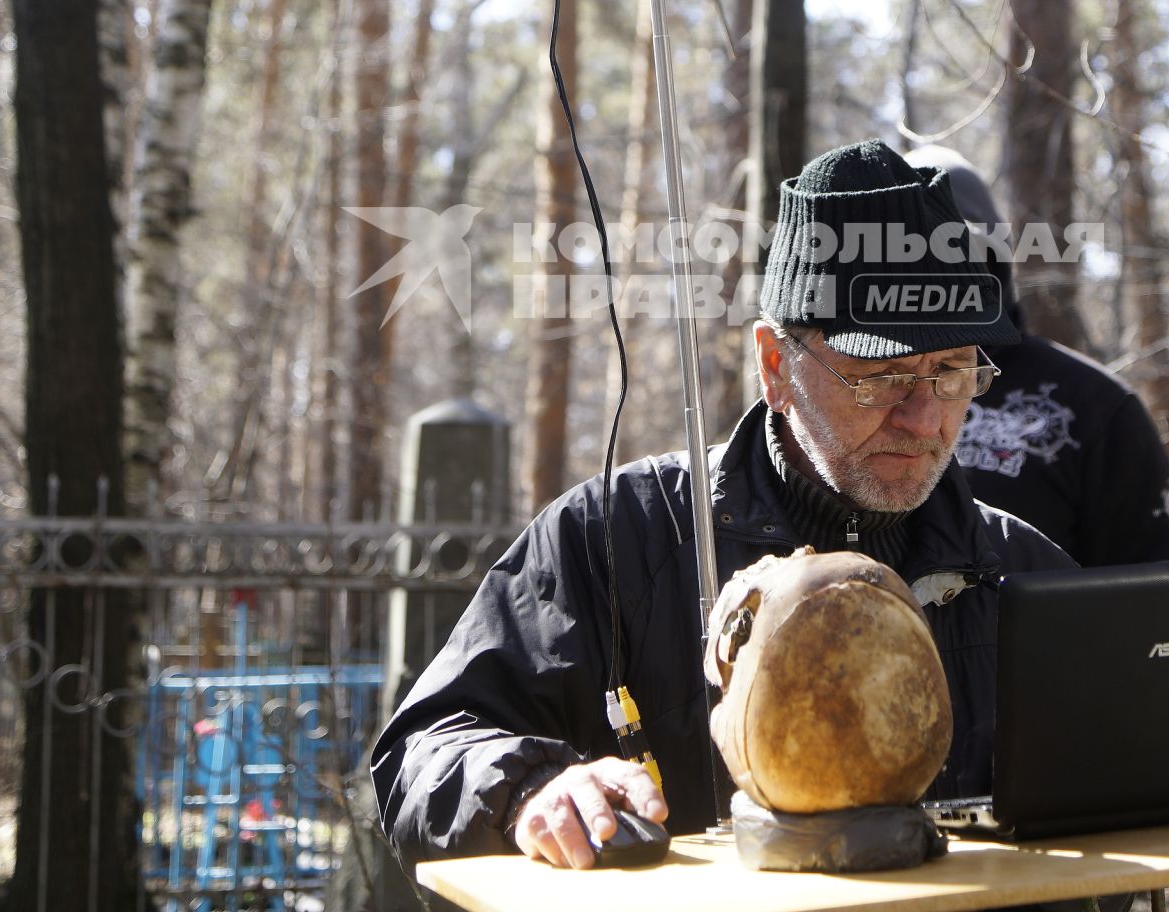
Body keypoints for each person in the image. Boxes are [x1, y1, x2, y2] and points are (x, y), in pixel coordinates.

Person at [371, 139, 1075, 875]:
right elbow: (422, 750)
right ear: (777, 364)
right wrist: (529, 791)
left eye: (952, 372)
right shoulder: (616, 539)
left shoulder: (1023, 574)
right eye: (883, 376)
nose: (925, 419)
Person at [904, 147, 1169, 567]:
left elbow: (1163, 601)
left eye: (952, 253)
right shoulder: (844, 394)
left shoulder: (1094, 407)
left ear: (991, 263)